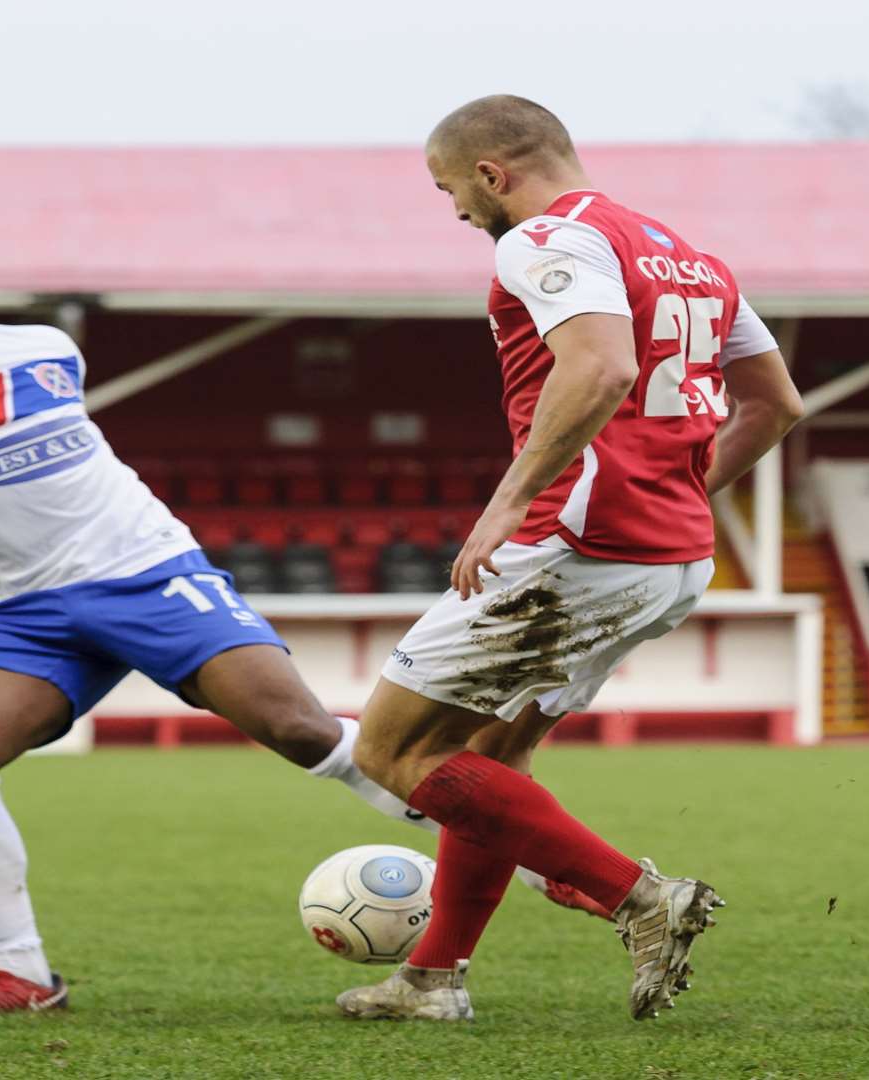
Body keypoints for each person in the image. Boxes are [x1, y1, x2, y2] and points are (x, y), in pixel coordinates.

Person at [0, 223, 586, 1018]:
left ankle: (549, 865)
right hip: (23, 611)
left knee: (299, 728)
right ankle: (20, 974)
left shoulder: (43, 351)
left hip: (147, 572)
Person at [336, 96, 804, 1023]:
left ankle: (641, 897)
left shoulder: (545, 238)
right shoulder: (690, 257)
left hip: (572, 543)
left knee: (390, 747)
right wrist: (677, 487)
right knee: (488, 760)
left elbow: (599, 369)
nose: (462, 216)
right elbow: (777, 404)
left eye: (454, 193)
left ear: (492, 174)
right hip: (667, 554)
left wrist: (504, 507)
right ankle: (431, 983)